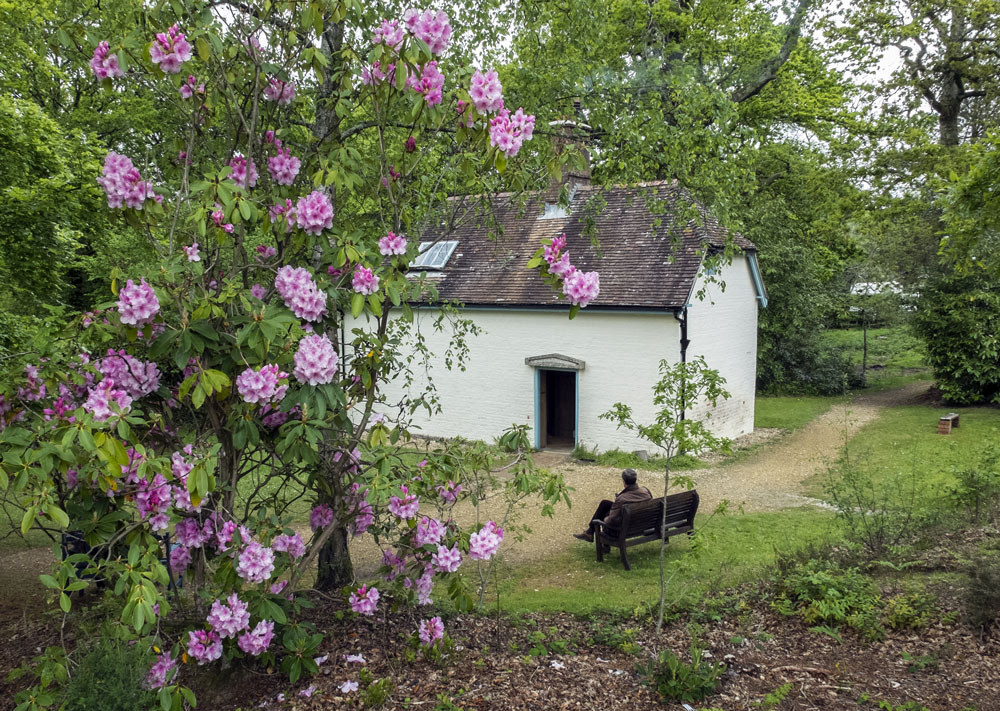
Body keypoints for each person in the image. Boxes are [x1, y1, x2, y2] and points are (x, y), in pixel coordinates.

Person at [573, 468, 652, 542]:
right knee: (605, 504)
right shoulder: (646, 492)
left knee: (606, 513)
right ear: (635, 480)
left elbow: (611, 521)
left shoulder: (622, 499)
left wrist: (605, 518)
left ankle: (590, 534)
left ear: (624, 481)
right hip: (640, 524)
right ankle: (589, 532)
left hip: (621, 530)